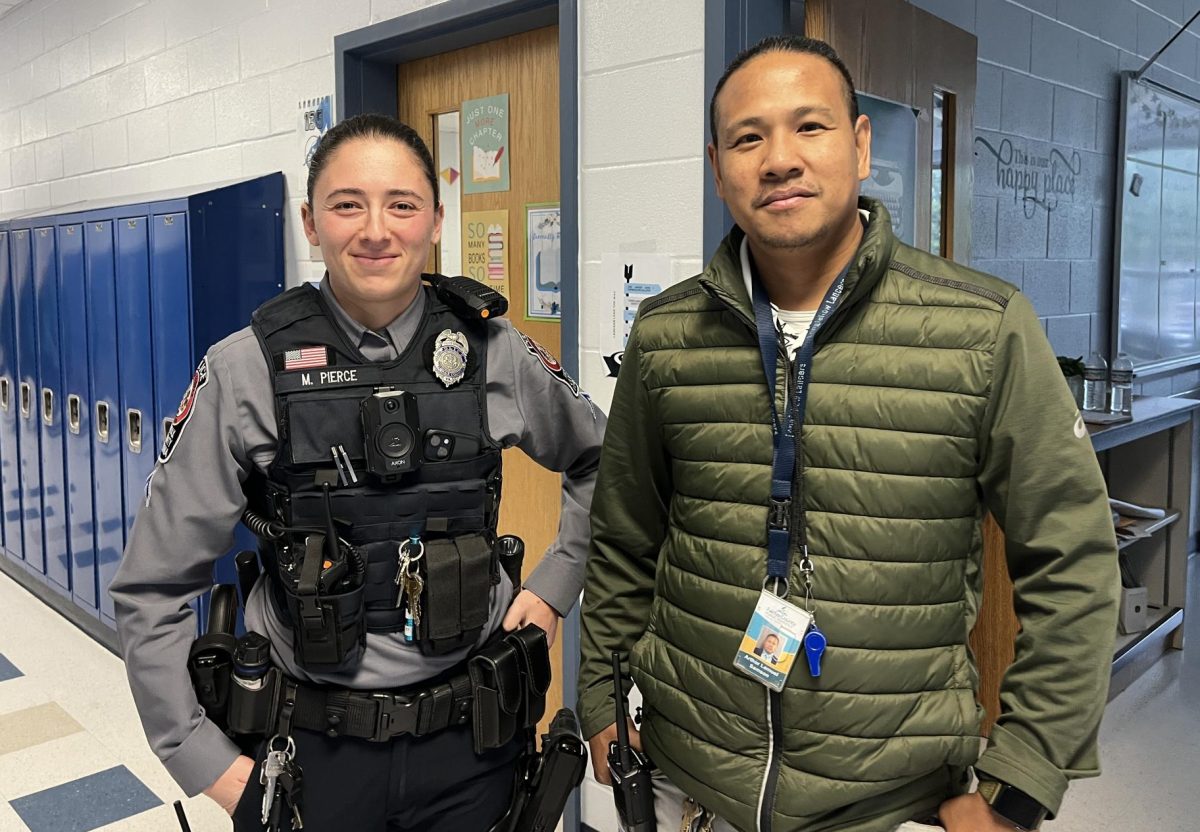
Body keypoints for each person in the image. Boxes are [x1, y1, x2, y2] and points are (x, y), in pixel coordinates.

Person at [578, 35, 1119, 832]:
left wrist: (1021, 781)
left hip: (890, 802)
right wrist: (599, 696)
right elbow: (626, 536)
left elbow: (1074, 561)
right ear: (718, 166)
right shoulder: (667, 335)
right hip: (688, 783)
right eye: (748, 137)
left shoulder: (982, 327)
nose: (779, 159)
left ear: (861, 146)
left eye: (811, 127)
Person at [111, 113, 605, 831]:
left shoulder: (492, 351)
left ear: (435, 221)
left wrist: (557, 586)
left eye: (402, 205)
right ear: (312, 224)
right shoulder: (245, 369)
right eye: (348, 205)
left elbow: (603, 459)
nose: (377, 230)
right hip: (309, 757)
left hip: (475, 746)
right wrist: (203, 760)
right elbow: (151, 585)